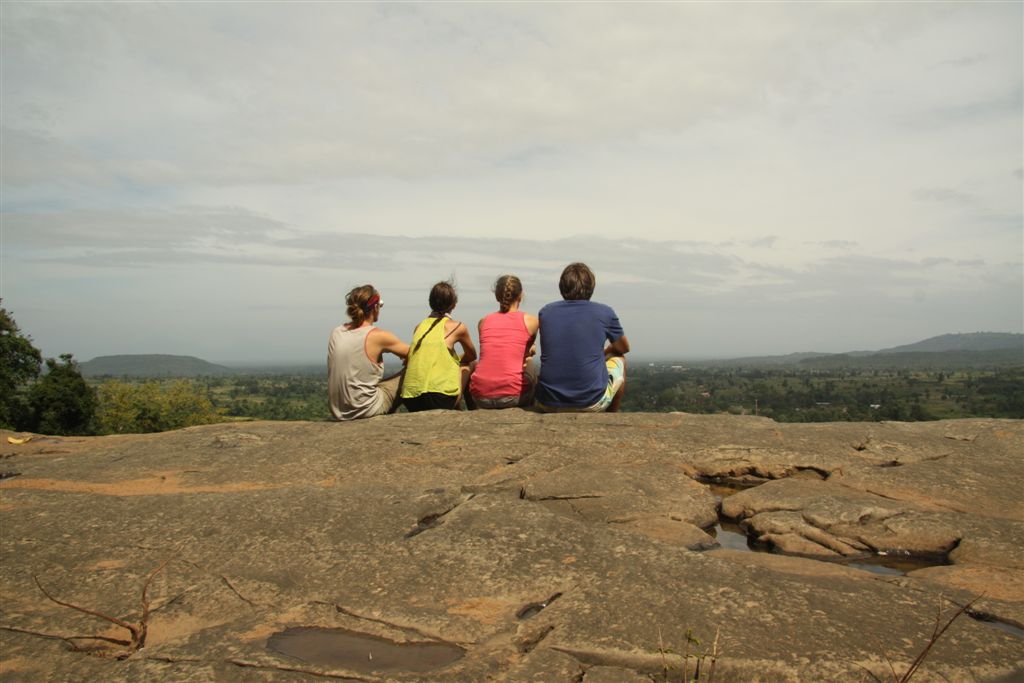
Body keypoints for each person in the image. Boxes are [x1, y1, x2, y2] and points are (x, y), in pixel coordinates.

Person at [535, 262, 630, 412]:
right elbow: (624, 348)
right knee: (620, 359)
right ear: (591, 287)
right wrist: (609, 349)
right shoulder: (605, 312)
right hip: (591, 402)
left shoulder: (546, 312)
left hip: (548, 402)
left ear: (562, 287)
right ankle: (611, 417)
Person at [328, 285, 409, 421]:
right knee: (411, 371)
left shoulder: (337, 332)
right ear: (375, 308)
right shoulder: (378, 336)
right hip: (365, 410)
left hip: (338, 412)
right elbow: (418, 354)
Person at [401, 280, 477, 412]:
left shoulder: (419, 327)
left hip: (411, 400)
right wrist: (457, 360)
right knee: (471, 364)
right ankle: (472, 413)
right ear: (453, 304)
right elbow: (471, 355)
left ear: (430, 302)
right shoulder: (458, 327)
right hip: (440, 400)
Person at [469, 274, 540, 409]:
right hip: (513, 397)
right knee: (530, 361)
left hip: (480, 397)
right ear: (520, 296)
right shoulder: (531, 322)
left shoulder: (483, 322)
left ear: (497, 296)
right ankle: (531, 410)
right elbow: (525, 355)